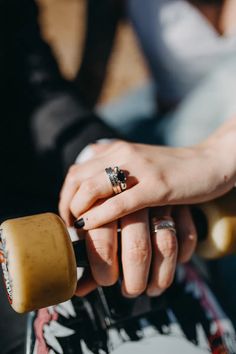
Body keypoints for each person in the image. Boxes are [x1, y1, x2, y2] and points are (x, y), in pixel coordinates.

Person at [1, 0, 236, 353]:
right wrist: (101, 163)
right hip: (157, 116)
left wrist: (214, 155)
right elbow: (64, 87)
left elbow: (26, 70)